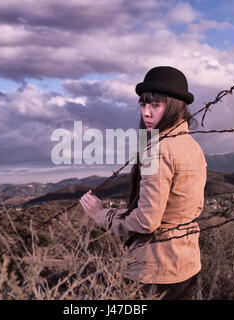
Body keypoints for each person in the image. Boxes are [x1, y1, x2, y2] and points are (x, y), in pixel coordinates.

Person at [79, 66, 207, 300]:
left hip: (154, 271)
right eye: (143, 105)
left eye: (155, 105)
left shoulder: (156, 150)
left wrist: (102, 215)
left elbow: (147, 221)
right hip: (187, 263)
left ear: (174, 106)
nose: (146, 113)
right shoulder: (192, 146)